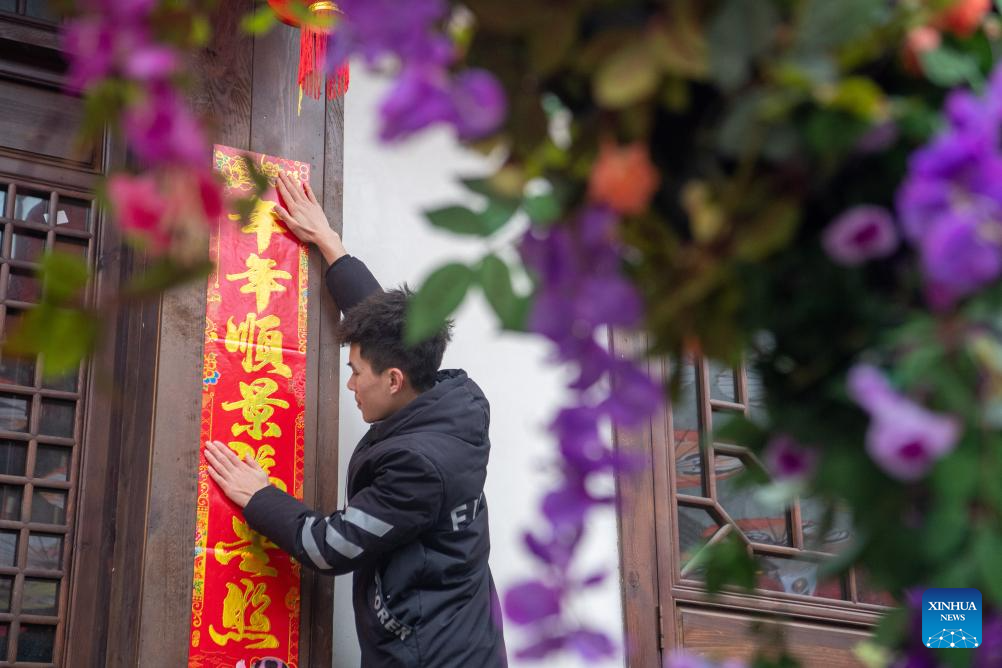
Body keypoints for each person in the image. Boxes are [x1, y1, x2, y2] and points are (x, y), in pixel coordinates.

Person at [205, 171, 508, 668]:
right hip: (459, 629)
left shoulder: (418, 467)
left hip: (432, 655)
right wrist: (327, 240)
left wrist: (258, 496)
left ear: (392, 380)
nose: (349, 385)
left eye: (354, 373)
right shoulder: (452, 394)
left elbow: (329, 548)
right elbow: (388, 324)